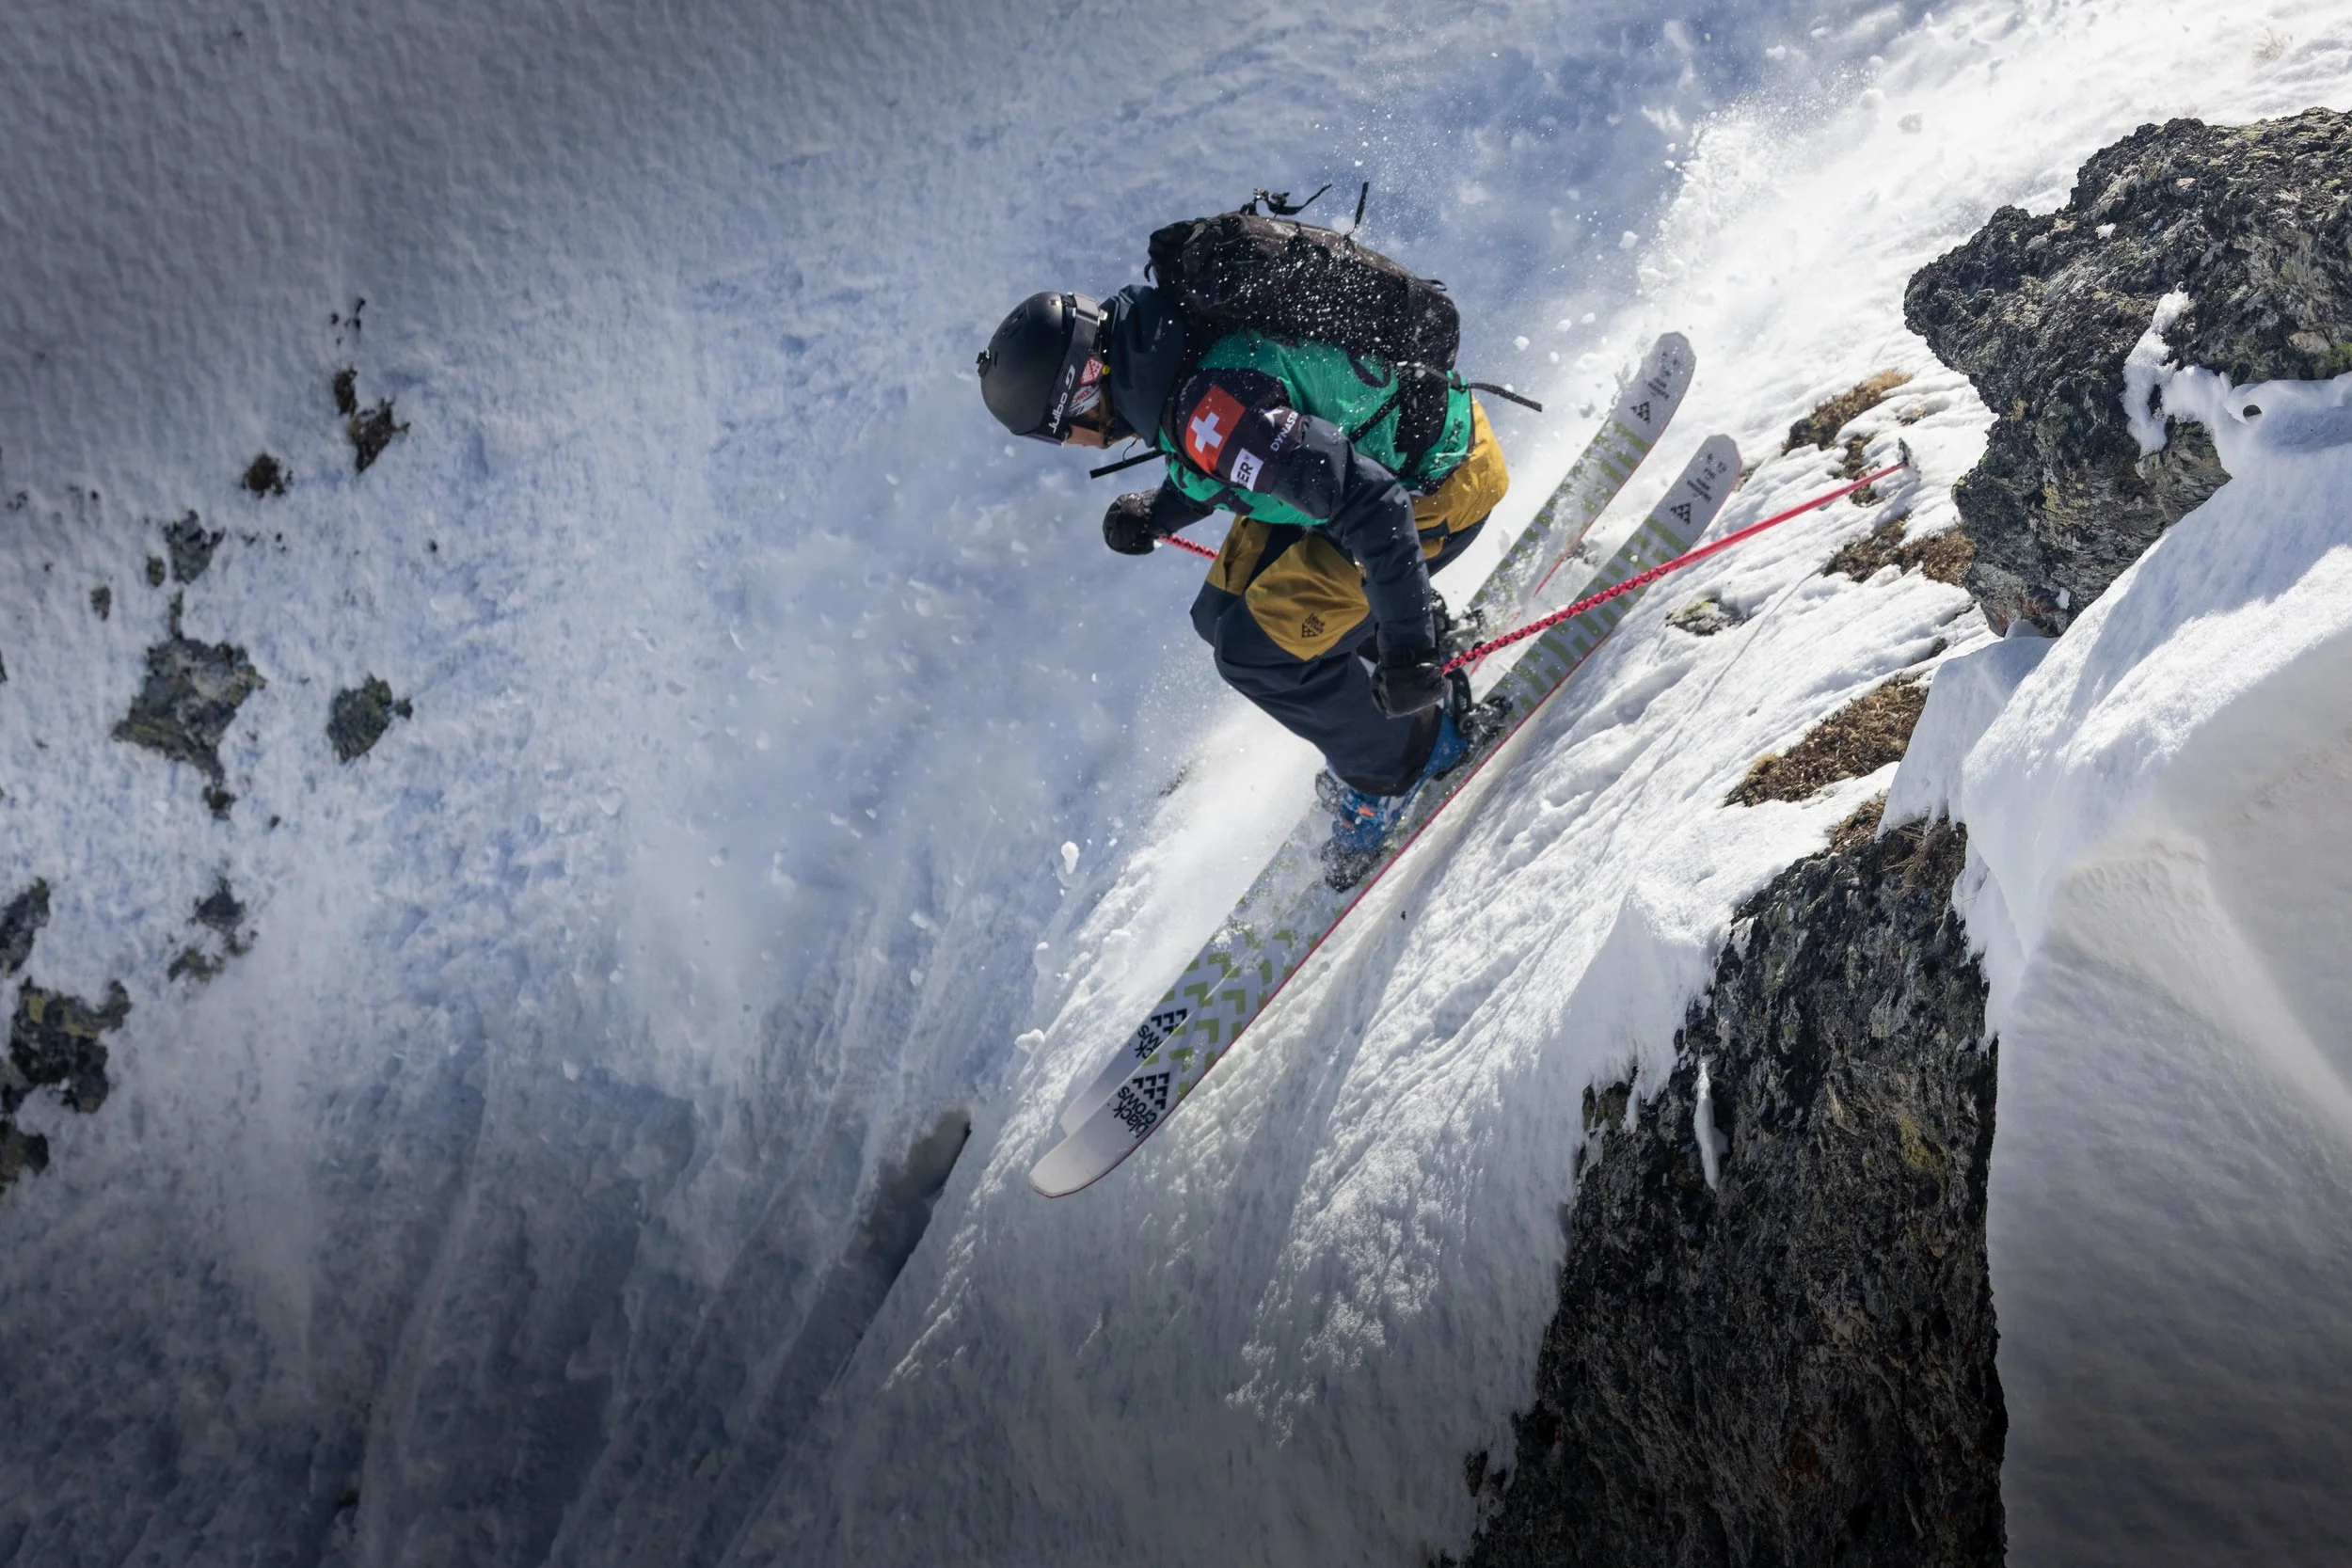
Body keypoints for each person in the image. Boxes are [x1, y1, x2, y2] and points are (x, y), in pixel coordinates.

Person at [975, 283, 1510, 885]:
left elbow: (1374, 505)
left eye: (1060, 430)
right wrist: (1159, 514)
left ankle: (1411, 753)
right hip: (1391, 459)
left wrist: (1410, 652)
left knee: (1256, 655)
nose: (1072, 442)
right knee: (1222, 614)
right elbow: (1232, 454)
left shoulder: (1205, 412)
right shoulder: (1164, 350)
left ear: (1082, 392)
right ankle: (1399, 629)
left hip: (1436, 488)